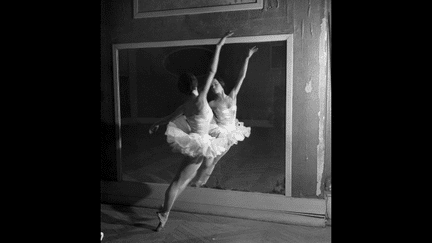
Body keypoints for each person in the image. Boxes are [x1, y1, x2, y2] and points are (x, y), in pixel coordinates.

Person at [148, 31, 234, 231]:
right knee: (179, 182)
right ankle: (164, 212)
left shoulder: (186, 105)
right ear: (195, 83)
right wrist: (220, 46)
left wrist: (156, 124)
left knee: (182, 181)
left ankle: (165, 211)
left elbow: (170, 117)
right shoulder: (201, 99)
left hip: (198, 142)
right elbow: (212, 70)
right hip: (200, 144)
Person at [193, 45, 258, 188]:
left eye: (215, 84)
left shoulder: (232, 96)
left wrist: (247, 58)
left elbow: (242, 77)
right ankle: (197, 181)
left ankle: (201, 182)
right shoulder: (212, 103)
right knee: (209, 161)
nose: (213, 86)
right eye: (212, 86)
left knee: (215, 161)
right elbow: (203, 111)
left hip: (232, 132)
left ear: (221, 84)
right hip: (220, 132)